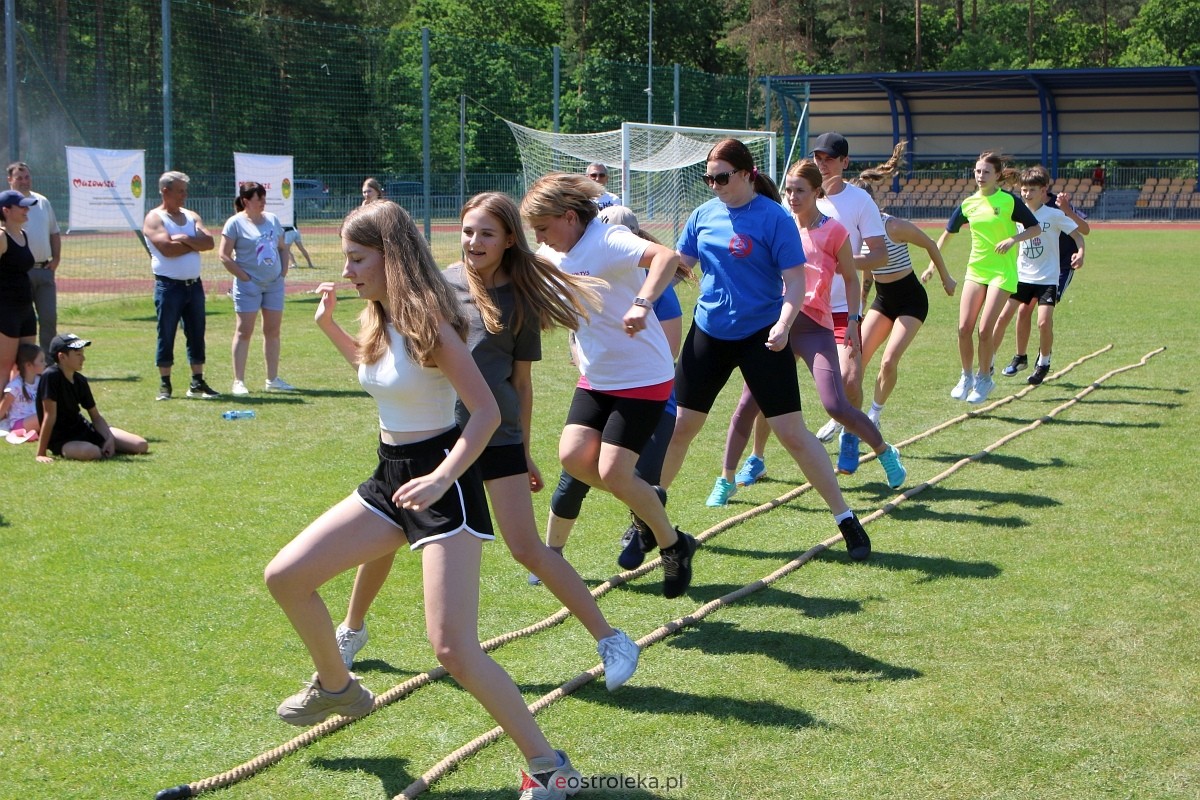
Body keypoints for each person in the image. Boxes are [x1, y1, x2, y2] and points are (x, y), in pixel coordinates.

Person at [262, 200, 580, 799]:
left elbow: (486, 409)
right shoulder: (377, 316)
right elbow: (379, 373)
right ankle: (338, 688)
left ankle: (550, 767)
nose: (349, 270)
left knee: (454, 649)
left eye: (358, 258)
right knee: (285, 576)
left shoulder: (430, 320)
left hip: (444, 483)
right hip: (391, 478)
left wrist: (442, 478)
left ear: (390, 256)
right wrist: (329, 324)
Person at [333, 192, 641, 691]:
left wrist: (522, 451)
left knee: (527, 548)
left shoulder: (519, 299)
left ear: (509, 240)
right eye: (468, 230)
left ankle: (612, 639)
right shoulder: (435, 284)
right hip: (433, 441)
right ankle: (351, 630)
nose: (474, 241)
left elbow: (520, 385)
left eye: (487, 233)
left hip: (493, 437)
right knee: (387, 535)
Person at [658, 138, 874, 561]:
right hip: (710, 334)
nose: (714, 185)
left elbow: (795, 282)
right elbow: (679, 265)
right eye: (708, 178)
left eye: (721, 177)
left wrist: (783, 324)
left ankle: (845, 517)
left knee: (792, 433)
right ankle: (648, 515)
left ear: (746, 174)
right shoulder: (703, 215)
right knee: (680, 425)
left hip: (763, 334)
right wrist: (642, 295)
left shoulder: (775, 218)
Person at [521, 174, 698, 598]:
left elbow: (666, 256)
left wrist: (642, 303)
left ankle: (674, 546)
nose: (540, 239)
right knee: (572, 458)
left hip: (643, 377)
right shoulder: (552, 251)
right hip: (598, 377)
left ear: (568, 217)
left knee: (613, 472)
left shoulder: (607, 239)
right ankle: (648, 503)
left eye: (544, 228)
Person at [712, 159, 907, 508]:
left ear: (817, 192)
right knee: (748, 403)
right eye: (788, 190)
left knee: (835, 404)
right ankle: (726, 479)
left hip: (815, 327)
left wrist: (850, 321)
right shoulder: (779, 224)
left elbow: (850, 278)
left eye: (799, 190)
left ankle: (884, 451)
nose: (792, 196)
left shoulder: (834, 231)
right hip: (775, 324)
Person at [921, 152, 1041, 404]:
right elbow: (946, 236)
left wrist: (1013, 239)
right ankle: (966, 377)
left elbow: (1035, 228)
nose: (980, 176)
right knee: (964, 328)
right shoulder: (968, 204)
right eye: (977, 171)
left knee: (985, 329)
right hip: (976, 270)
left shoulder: (1009, 201)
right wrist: (932, 266)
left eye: (986, 172)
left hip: (1002, 272)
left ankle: (984, 378)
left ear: (997, 175)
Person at [805, 134, 889, 476]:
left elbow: (880, 255)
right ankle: (755, 458)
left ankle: (851, 436)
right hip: (803, 306)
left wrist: (844, 262)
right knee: (762, 386)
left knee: (850, 379)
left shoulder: (860, 202)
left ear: (845, 162)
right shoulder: (801, 195)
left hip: (842, 307)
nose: (822, 162)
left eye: (829, 157)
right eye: (817, 156)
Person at [844, 174, 955, 430]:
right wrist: (860, 303)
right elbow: (868, 269)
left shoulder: (893, 226)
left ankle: (874, 415)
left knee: (888, 360)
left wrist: (946, 278)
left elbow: (929, 244)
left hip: (911, 301)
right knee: (855, 361)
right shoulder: (855, 233)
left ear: (869, 203)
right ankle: (843, 418)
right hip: (884, 300)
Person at [991, 166, 1085, 386]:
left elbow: (1079, 237)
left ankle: (1043, 362)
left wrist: (1080, 254)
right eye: (1024, 189)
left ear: (1043, 190)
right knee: (1004, 317)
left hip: (1048, 279)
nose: (1026, 194)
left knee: (1043, 322)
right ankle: (991, 363)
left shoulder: (1054, 215)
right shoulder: (1015, 212)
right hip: (1021, 276)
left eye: (1032, 189)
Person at [143, 171, 220, 401]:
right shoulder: (154, 218)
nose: (184, 196)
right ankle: (165, 384)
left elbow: (209, 242)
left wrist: (183, 239)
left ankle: (197, 381)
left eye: (185, 191)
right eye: (180, 192)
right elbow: (167, 249)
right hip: (169, 287)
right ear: (165, 191)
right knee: (166, 333)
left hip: (194, 286)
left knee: (197, 333)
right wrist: (192, 243)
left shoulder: (191, 215)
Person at [219, 181, 296, 396]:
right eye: (258, 198)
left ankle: (272, 379)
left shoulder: (272, 219)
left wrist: (282, 273)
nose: (263, 202)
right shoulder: (234, 223)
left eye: (264, 197)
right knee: (244, 331)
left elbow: (282, 246)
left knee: (272, 331)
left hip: (273, 284)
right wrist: (245, 278)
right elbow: (224, 256)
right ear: (246, 201)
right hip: (248, 286)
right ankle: (239, 381)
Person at [34, 334, 149, 463]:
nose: (83, 358)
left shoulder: (80, 380)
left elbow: (95, 417)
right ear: (62, 357)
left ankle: (106, 446)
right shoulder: (50, 377)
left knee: (141, 445)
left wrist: (109, 438)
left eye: (82, 353)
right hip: (62, 439)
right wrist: (41, 453)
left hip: (84, 430)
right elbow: (49, 416)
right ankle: (98, 448)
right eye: (78, 354)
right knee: (92, 452)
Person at [7, 162, 61, 353]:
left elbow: (54, 232)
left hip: (44, 270)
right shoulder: (5, 206)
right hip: (19, 274)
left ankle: (47, 363)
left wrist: (56, 260)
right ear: (10, 180)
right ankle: (24, 362)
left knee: (48, 318)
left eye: (27, 177)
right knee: (20, 319)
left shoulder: (42, 202)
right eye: (19, 178)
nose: (24, 181)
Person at [0, 189, 40, 384]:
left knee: (25, 365)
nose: (26, 210)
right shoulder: (1, 237)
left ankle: (19, 414)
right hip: (6, 311)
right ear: (6, 211)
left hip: (26, 310)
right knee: (4, 368)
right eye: (21, 206)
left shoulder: (23, 234)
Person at [1, 342, 44, 441]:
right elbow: (2, 410)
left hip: (35, 420)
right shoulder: (15, 387)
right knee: (44, 416)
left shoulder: (40, 381)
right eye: (41, 361)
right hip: (19, 425)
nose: (45, 364)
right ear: (29, 365)